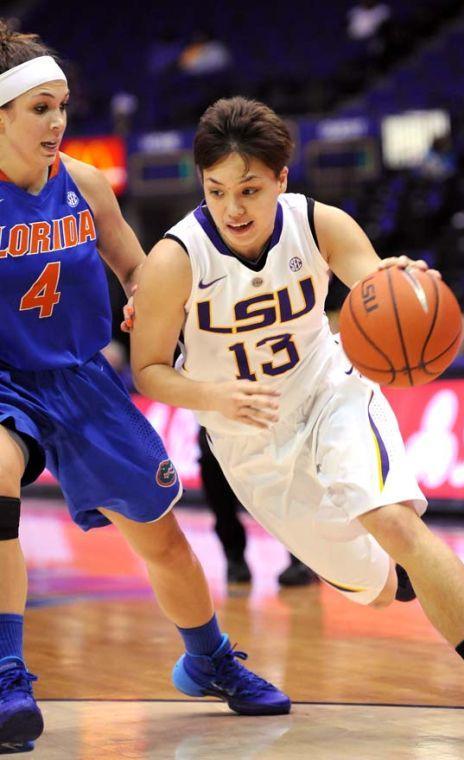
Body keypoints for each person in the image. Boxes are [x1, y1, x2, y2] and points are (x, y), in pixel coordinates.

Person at [130, 96, 464, 744]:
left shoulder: (319, 224)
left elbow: (375, 287)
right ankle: (406, 579)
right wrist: (212, 396)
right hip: (249, 443)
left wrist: (404, 284)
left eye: (249, 188)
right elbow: (149, 370)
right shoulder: (175, 260)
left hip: (331, 393)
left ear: (281, 179)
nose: (234, 208)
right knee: (375, 589)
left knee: (391, 518)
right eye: (217, 191)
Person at [0, 24, 289, 752]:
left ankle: (209, 659)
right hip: (5, 380)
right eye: (40, 107)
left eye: (62, 105)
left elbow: (136, 271)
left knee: (159, 537)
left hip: (81, 377)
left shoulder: (85, 184)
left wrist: (143, 298)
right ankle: (7, 674)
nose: (58, 121)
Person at [198, 425, 318, 585]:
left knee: (291, 456)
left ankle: (303, 558)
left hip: (274, 413)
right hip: (221, 415)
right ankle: (234, 557)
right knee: (210, 458)